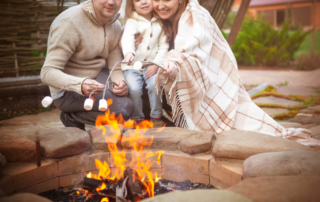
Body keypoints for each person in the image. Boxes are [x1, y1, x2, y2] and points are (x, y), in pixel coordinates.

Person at [151, 0, 320, 146]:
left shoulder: (195, 15)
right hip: (177, 79)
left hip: (213, 86)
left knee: (251, 127)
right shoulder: (155, 20)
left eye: (165, 0)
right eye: (155, 0)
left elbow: (194, 54)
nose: (160, 5)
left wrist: (174, 63)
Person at [40, 0, 134, 130]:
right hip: (68, 91)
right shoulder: (69, 22)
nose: (111, 2)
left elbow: (115, 67)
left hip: (98, 77)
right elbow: (47, 72)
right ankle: (72, 117)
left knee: (135, 93)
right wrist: (81, 84)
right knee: (124, 108)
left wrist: (121, 83)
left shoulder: (115, 25)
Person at [121, 0, 169, 127]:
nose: (143, 2)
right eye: (137, 0)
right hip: (132, 66)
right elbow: (127, 38)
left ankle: (156, 116)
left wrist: (156, 64)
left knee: (155, 85)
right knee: (134, 88)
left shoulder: (160, 22)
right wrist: (128, 52)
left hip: (151, 66)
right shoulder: (132, 21)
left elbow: (163, 46)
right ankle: (137, 118)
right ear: (132, 5)